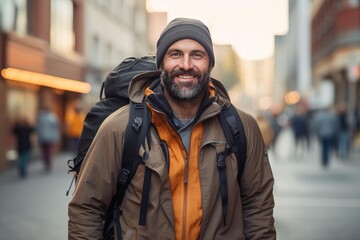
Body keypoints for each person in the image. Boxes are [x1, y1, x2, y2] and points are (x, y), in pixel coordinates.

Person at [68, 17, 276, 239]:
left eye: (197, 54)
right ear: (160, 64)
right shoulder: (119, 127)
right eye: (175, 54)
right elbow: (87, 208)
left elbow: (258, 208)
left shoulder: (242, 128)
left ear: (210, 65)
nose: (186, 65)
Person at [36, 104, 60, 172]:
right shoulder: (52, 117)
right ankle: (47, 163)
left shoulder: (41, 117)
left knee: (45, 151)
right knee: (47, 151)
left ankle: (47, 163)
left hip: (45, 138)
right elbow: (56, 127)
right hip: (48, 138)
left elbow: (38, 128)